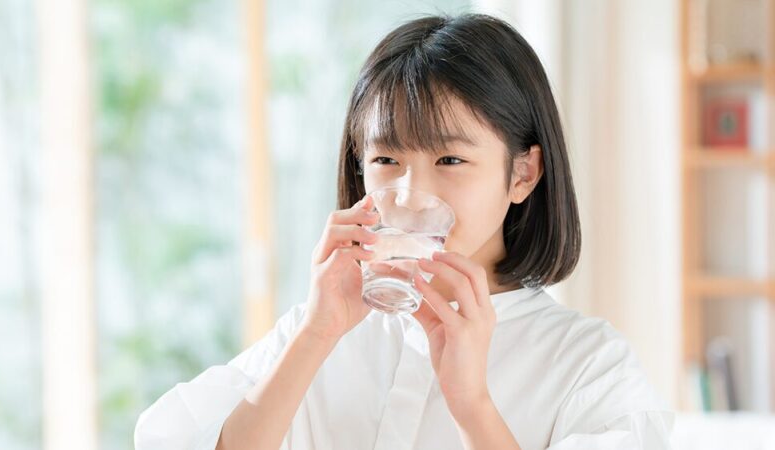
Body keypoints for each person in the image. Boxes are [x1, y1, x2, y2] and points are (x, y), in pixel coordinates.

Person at [134, 13, 674, 450]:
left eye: (450, 159)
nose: (413, 194)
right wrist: (316, 337)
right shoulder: (317, 330)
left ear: (523, 173)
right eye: (387, 157)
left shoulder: (587, 364)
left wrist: (472, 407)